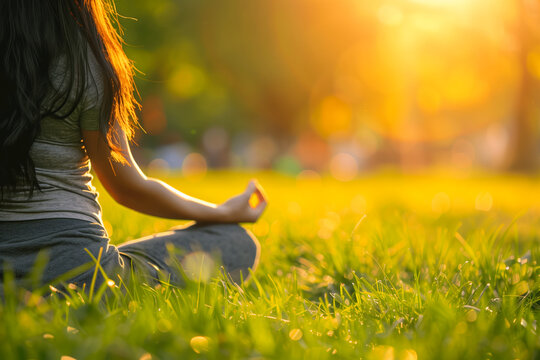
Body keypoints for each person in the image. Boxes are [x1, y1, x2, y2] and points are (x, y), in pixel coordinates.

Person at [0, 0, 267, 292]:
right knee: (234, 242)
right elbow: (127, 187)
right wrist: (223, 213)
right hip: (83, 271)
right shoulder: (86, 62)